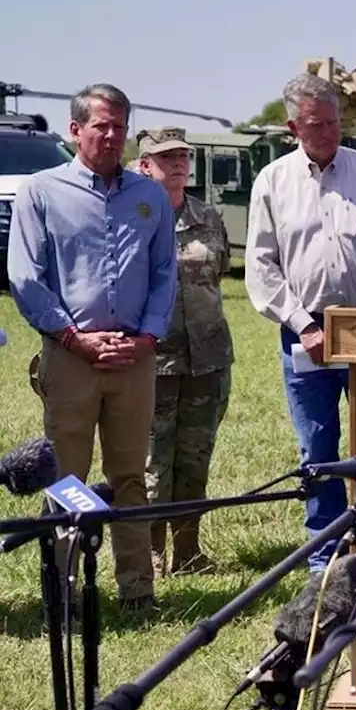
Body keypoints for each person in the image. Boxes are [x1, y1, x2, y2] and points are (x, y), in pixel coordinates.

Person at [7, 83, 177, 611]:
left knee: (130, 476)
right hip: (70, 358)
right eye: (100, 125)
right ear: (75, 130)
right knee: (67, 478)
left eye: (119, 126)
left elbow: (165, 275)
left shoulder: (148, 197)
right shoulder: (41, 192)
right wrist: (73, 337)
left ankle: (137, 591)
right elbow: (25, 277)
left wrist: (147, 336)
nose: (111, 135)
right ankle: (62, 592)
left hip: (134, 359)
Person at [245, 72, 356, 571]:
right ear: (293, 126)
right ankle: (325, 552)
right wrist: (302, 324)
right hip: (303, 333)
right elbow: (262, 266)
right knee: (318, 443)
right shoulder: (272, 182)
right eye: (316, 125)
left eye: (334, 122)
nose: (328, 133)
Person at [134, 127, 234, 576]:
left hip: (207, 356)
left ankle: (187, 551)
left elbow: (221, 272)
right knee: (154, 459)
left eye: (182, 156)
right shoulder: (131, 217)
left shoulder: (208, 217)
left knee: (195, 457)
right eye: (165, 157)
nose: (177, 163)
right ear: (144, 165)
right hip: (154, 360)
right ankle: (151, 552)